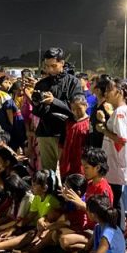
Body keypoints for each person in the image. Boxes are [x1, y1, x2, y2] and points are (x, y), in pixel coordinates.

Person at [2, 194, 125, 253]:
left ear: (92, 214)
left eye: (87, 210)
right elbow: (85, 250)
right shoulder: (99, 227)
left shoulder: (108, 232)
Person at [32, 47, 83, 182]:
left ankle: (67, 200)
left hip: (65, 133)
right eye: (47, 66)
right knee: (48, 174)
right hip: (46, 133)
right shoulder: (41, 84)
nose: (50, 70)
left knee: (67, 171)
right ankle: (50, 199)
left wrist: (54, 101)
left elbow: (77, 110)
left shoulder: (73, 82)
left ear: (62, 63)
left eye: (53, 66)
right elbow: (36, 112)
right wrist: (38, 102)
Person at [94, 76, 127, 215]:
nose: (105, 93)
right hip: (116, 164)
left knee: (115, 200)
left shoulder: (120, 112)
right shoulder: (121, 110)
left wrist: (103, 130)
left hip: (115, 164)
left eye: (109, 90)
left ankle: (117, 229)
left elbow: (121, 139)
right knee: (116, 198)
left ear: (119, 92)